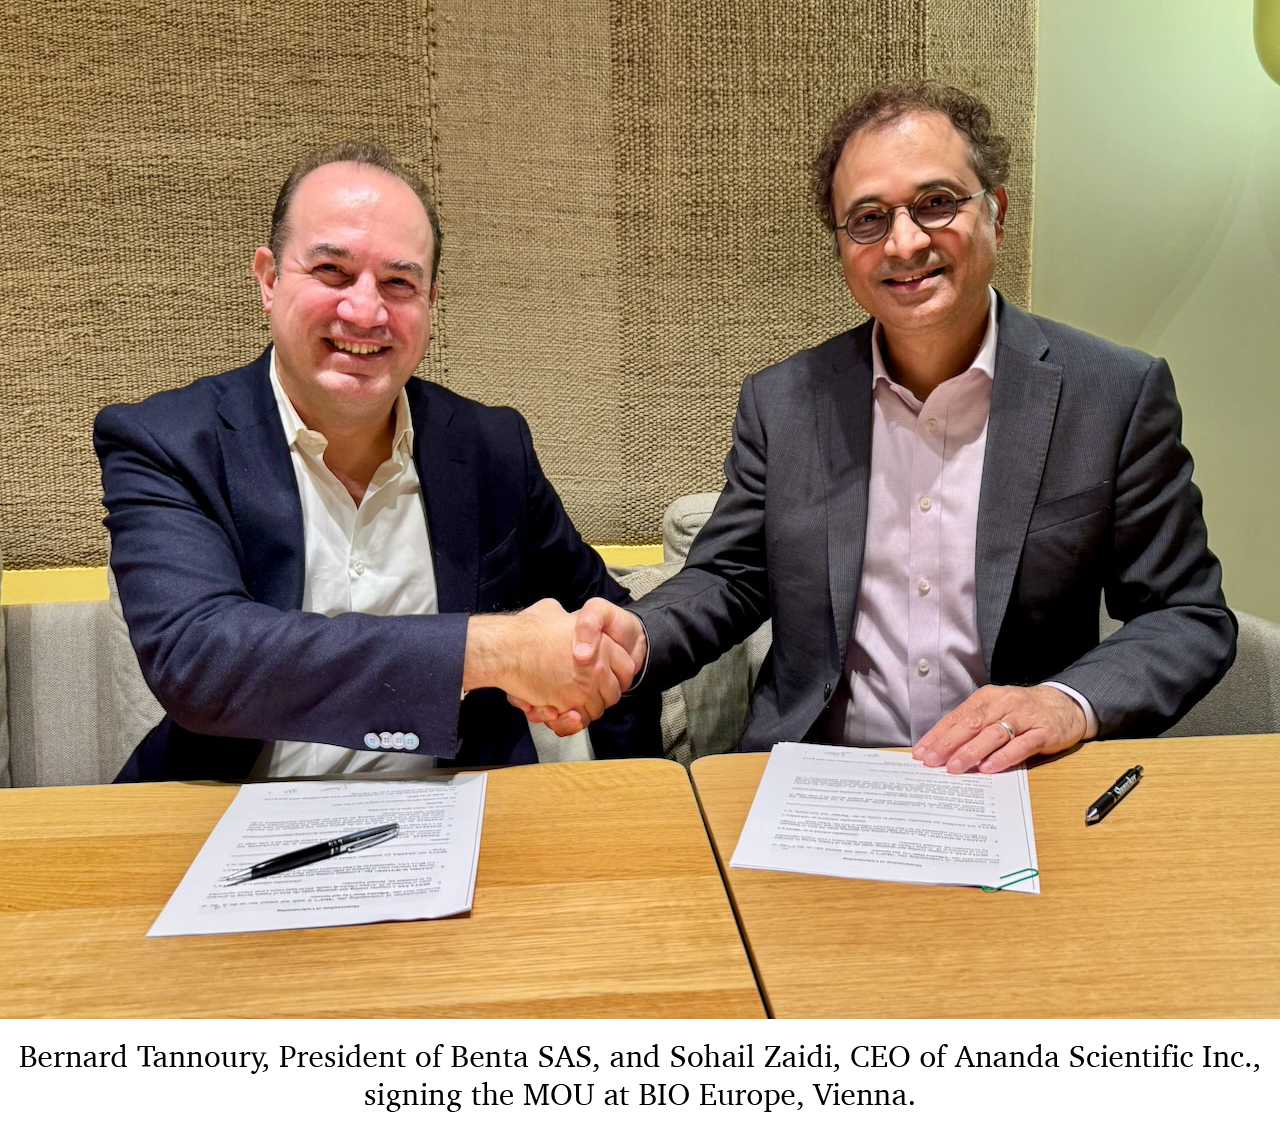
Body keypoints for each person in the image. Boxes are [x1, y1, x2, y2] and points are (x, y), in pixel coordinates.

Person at [526, 80, 1235, 773]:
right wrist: (635, 636)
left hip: (1016, 778)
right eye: (868, 218)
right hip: (819, 775)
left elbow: (1186, 615)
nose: (903, 243)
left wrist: (1064, 702)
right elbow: (731, 577)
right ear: (842, 246)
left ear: (996, 212)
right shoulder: (784, 402)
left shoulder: (1113, 394)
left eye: (936, 203)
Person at [96, 141, 659, 782]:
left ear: (430, 301)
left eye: (399, 283)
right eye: (332, 270)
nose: (365, 311)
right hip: (228, 810)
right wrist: (492, 650)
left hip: (463, 813)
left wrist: (634, 789)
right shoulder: (167, 442)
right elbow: (201, 660)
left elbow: (608, 626)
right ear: (269, 278)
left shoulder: (492, 446)